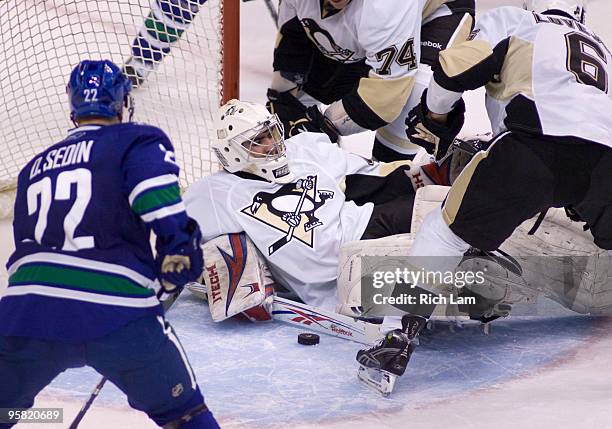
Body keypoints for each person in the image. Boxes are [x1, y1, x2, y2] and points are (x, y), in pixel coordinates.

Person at [356, 0, 612, 394]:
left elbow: (453, 67)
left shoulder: (517, 21)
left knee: (444, 233)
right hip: (605, 158)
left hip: (535, 143)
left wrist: (434, 113)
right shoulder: (602, 47)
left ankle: (397, 337)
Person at [0, 60, 219, 428]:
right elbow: (163, 212)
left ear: (73, 109)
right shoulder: (136, 140)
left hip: (25, 315)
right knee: (185, 415)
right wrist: (178, 254)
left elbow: (26, 250)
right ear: (123, 104)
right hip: (116, 313)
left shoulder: (33, 167)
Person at [184, 99, 429, 311]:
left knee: (440, 213)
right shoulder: (214, 195)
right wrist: (207, 276)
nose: (273, 143)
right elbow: (170, 239)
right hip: (341, 281)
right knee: (455, 286)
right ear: (232, 152)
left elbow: (374, 174)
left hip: (367, 222)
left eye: (272, 132)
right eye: (259, 140)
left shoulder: (302, 149)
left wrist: (430, 174)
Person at [266, 0, 475, 162]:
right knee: (293, 107)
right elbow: (293, 40)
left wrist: (324, 126)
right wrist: (284, 101)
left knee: (416, 100)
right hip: (371, 25)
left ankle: (396, 192)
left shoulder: (384, 7)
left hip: (436, 12)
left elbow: (387, 96)